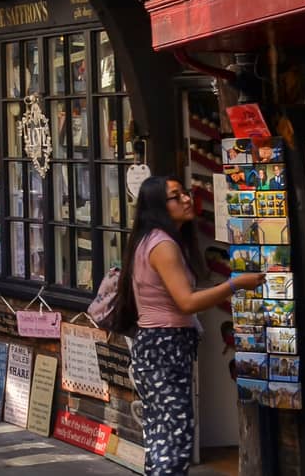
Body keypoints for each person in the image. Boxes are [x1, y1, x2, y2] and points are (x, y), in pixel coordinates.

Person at [111, 176, 264, 476]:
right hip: (165, 344)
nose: (185, 199)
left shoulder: (150, 240)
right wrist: (235, 285)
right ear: (158, 205)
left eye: (185, 193)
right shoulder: (163, 244)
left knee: (161, 435)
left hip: (157, 344)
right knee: (174, 436)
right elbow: (187, 302)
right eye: (175, 196)